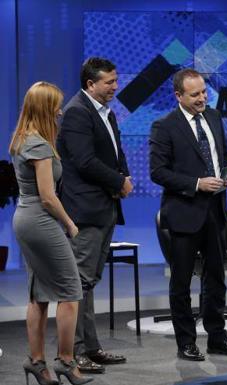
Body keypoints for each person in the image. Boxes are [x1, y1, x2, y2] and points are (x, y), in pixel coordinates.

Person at [149, 68, 227, 361]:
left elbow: (224, 157)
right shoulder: (163, 126)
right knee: (181, 282)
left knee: (216, 278)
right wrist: (196, 184)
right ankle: (186, 343)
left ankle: (218, 337)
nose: (202, 98)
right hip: (183, 213)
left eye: (204, 92)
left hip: (216, 212)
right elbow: (158, 172)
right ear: (178, 95)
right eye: (195, 94)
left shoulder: (214, 118)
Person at [10, 81, 92, 385]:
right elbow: (47, 196)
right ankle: (66, 362)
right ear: (45, 108)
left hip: (27, 220)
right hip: (39, 220)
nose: (60, 111)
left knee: (40, 294)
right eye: (55, 105)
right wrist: (70, 224)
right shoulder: (38, 145)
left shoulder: (24, 138)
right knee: (71, 292)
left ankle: (36, 363)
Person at [57, 57, 132, 373]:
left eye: (115, 81)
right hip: (85, 210)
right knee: (79, 283)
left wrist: (123, 177)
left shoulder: (106, 112)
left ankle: (91, 348)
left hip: (104, 207)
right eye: (109, 82)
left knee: (89, 281)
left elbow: (115, 152)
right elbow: (85, 161)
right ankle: (73, 353)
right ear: (90, 84)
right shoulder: (77, 112)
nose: (115, 87)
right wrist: (117, 181)